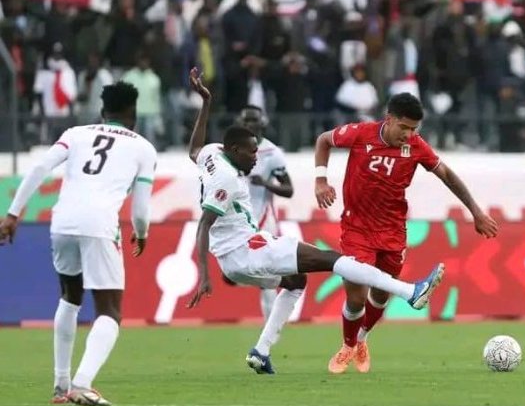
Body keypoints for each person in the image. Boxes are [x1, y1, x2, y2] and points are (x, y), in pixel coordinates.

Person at [185, 68, 444, 374]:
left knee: (296, 282)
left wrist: (206, 102)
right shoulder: (227, 179)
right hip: (246, 250)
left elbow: (194, 148)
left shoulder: (211, 154)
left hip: (235, 259)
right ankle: (410, 292)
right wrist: (203, 275)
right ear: (234, 150)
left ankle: (261, 352)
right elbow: (203, 224)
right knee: (336, 260)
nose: (256, 158)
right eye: (252, 153)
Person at [314, 92, 499, 374]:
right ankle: (347, 345)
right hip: (357, 229)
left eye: (414, 129)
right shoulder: (361, 133)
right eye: (404, 127)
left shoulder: (416, 146)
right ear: (389, 119)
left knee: (380, 296)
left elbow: (447, 176)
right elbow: (323, 140)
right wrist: (320, 180)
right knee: (356, 296)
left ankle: (362, 339)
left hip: (393, 231)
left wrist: (476, 212)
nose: (409, 135)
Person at [0, 82, 157, 406]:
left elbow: (40, 167)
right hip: (99, 225)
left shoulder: (76, 133)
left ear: (102, 111)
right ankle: (82, 383)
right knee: (110, 311)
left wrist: (13, 214)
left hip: (62, 222)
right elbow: (141, 211)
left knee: (70, 298)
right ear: (133, 114)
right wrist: (141, 233)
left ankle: (60, 386)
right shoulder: (143, 148)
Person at [236, 105, 294, 321]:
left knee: (267, 280)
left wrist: (266, 184)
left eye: (253, 120)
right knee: (232, 275)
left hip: (263, 220)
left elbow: (289, 189)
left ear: (262, 124)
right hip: (238, 221)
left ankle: (271, 330)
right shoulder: (232, 149)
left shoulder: (272, 153)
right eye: (245, 121)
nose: (249, 125)